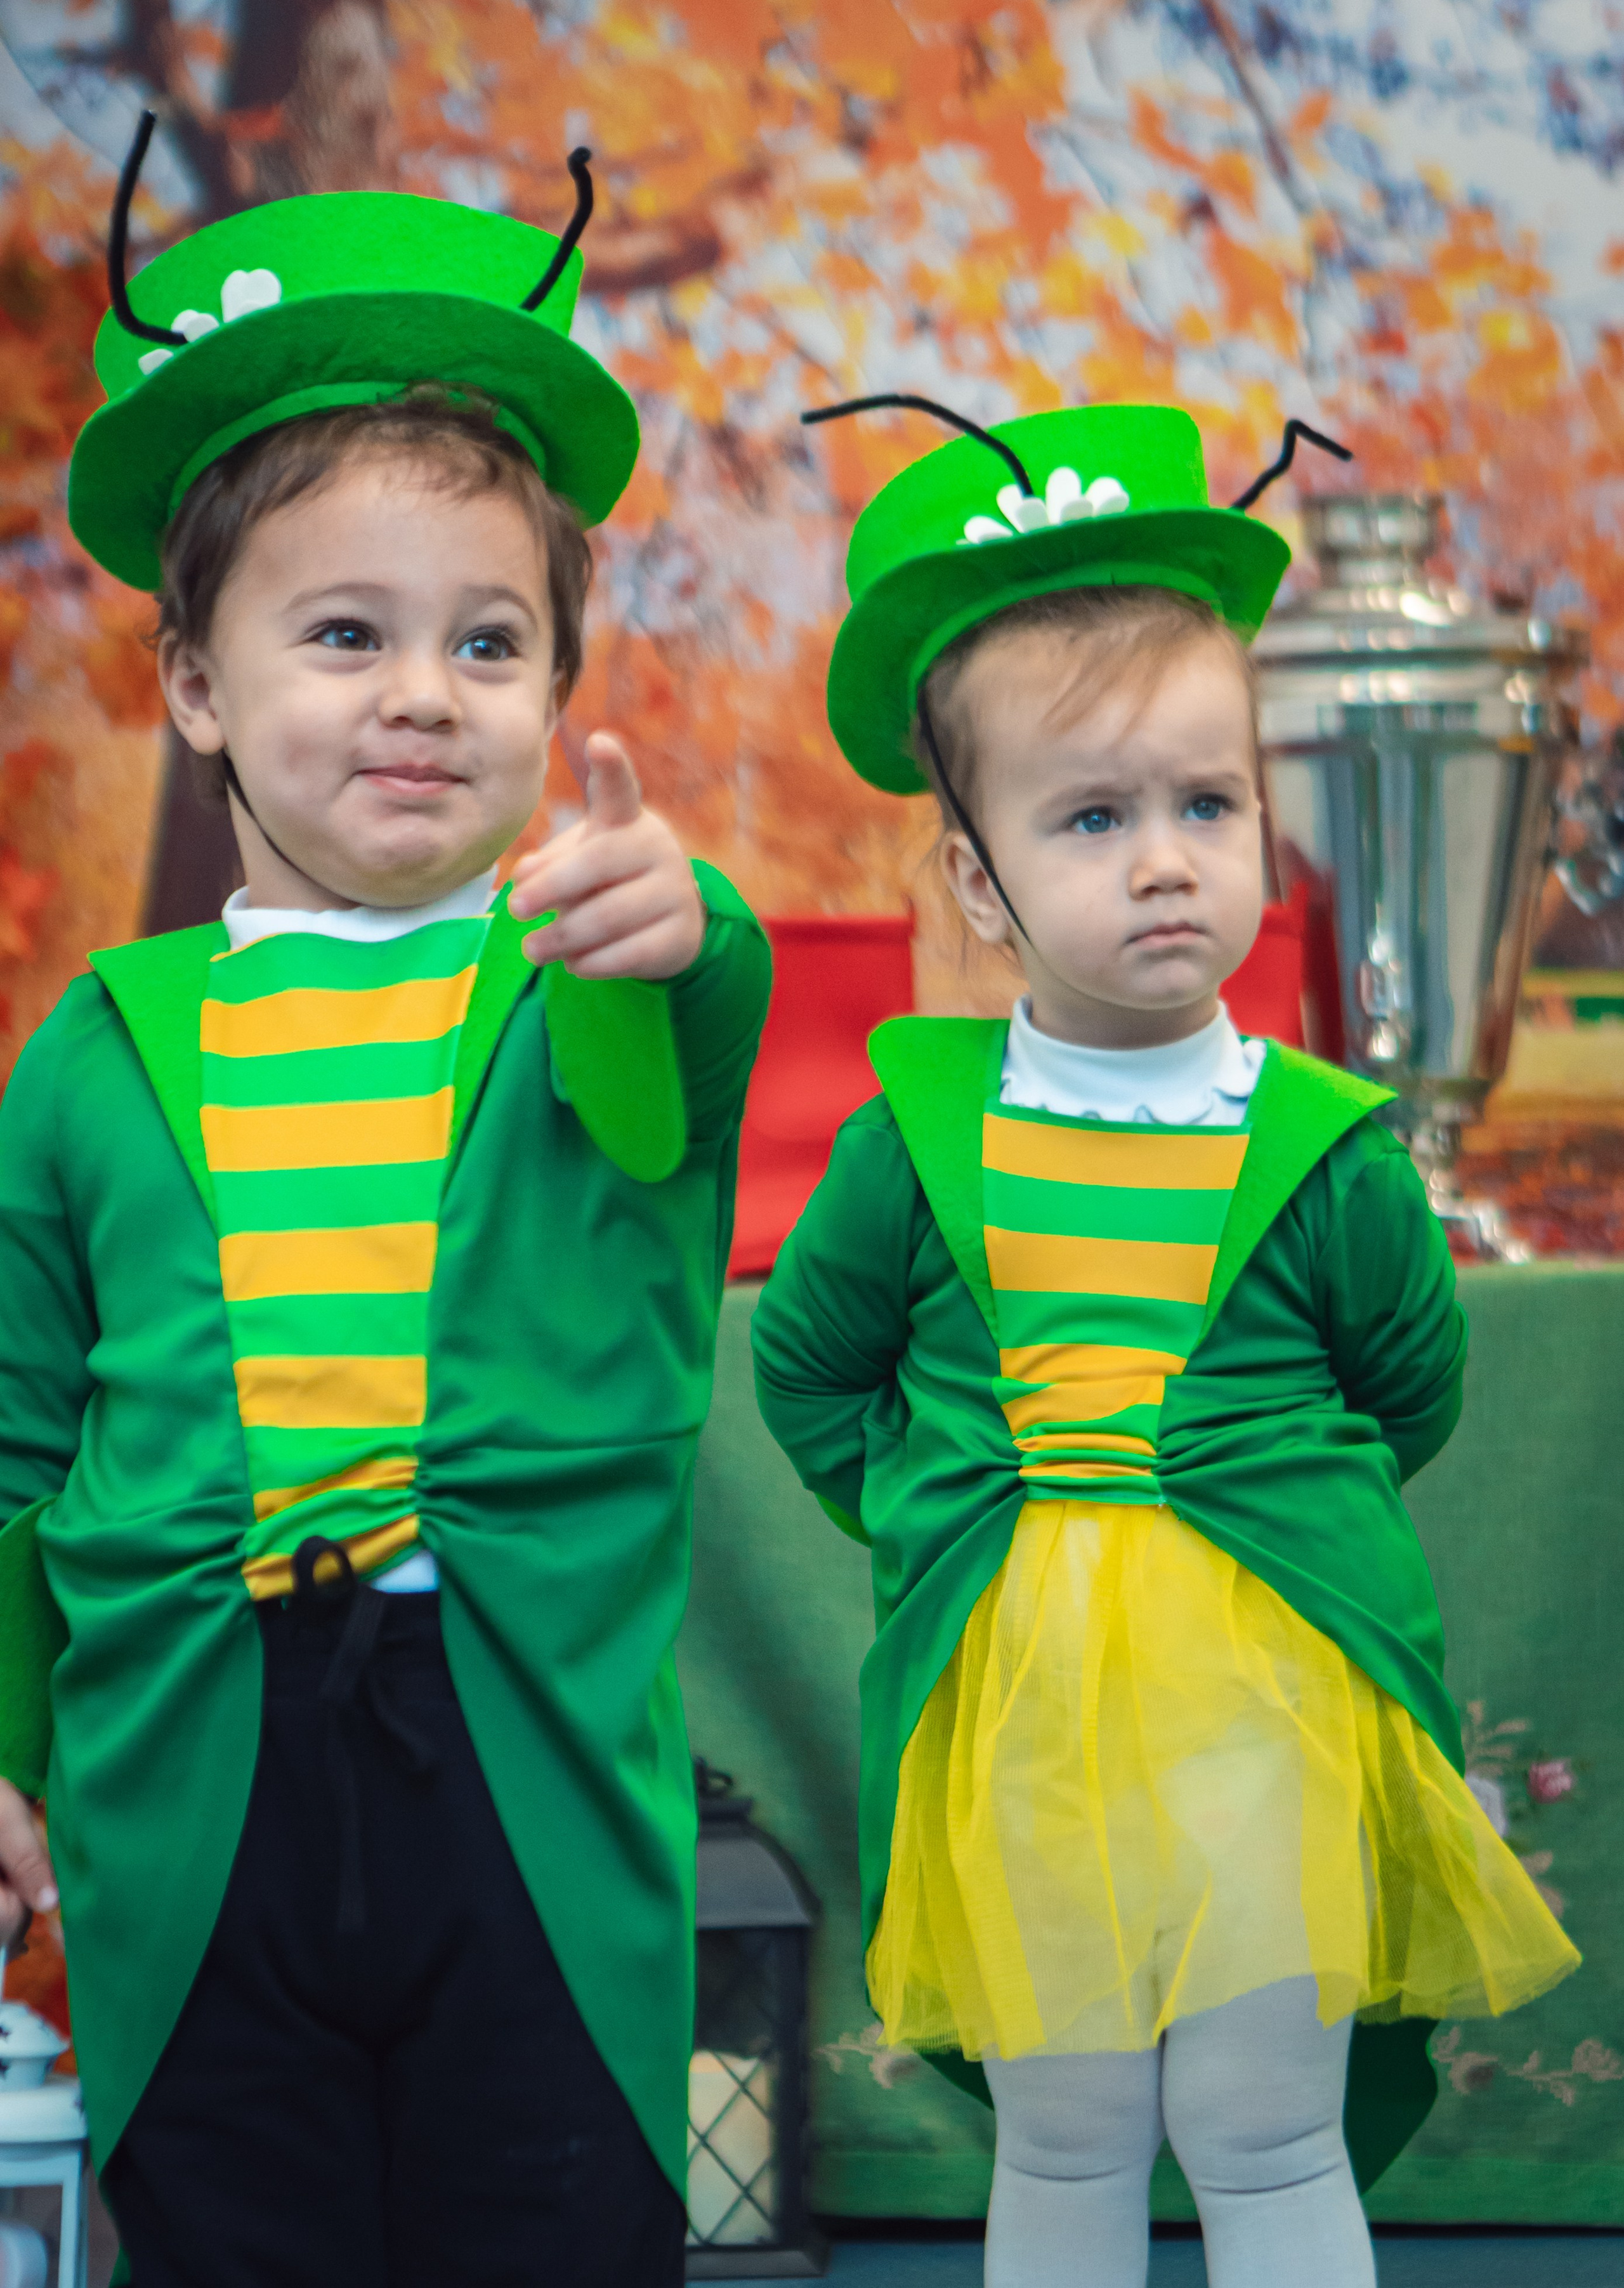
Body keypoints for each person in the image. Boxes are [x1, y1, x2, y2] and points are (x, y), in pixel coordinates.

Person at [0, 121, 770, 2288]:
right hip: (194, 1784)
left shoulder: (582, 971)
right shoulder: (96, 1048)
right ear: (194, 686)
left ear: (556, 694)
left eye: (491, 644)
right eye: (346, 633)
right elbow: (16, 1440)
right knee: (229, 2236)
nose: (425, 693)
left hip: (518, 1777)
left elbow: (695, 1001)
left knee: (555, 2231)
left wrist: (676, 919)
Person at [752, 398, 1578, 2288]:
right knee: (1068, 2132)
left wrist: (1251, 1498)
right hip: (1021, 1717)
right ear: (980, 881)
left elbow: (1409, 1382)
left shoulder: (1324, 1148)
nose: (1164, 863)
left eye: (1208, 806)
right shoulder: (919, 1143)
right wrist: (964, 1496)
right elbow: (807, 1367)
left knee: (1264, 2128)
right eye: (1093, 818)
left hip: (1264, 1707)